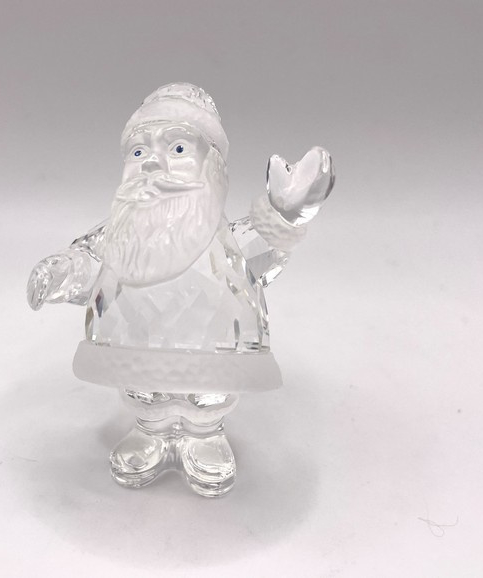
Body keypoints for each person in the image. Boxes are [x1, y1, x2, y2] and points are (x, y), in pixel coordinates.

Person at [27, 82, 334, 497]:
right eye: (139, 153)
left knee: (209, 397)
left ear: (213, 167)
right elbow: (89, 262)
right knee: (144, 394)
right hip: (135, 342)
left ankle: (204, 436)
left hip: (214, 346)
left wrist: (284, 216)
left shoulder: (222, 239)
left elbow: (258, 255)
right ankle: (150, 431)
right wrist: (60, 272)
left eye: (177, 149)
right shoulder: (120, 234)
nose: (153, 163)